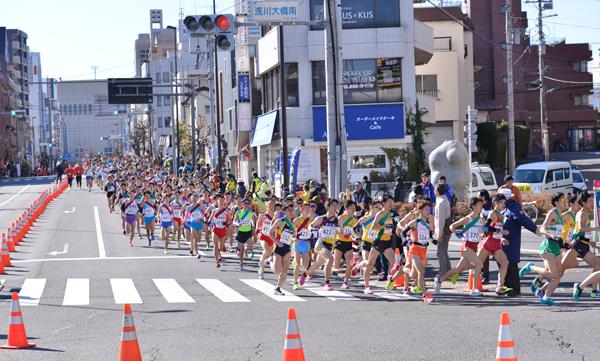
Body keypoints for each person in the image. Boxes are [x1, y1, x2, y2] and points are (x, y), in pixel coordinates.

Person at [518, 193, 568, 305]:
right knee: (554, 275)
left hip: (556, 247)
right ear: (556, 202)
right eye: (562, 199)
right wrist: (551, 235)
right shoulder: (552, 213)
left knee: (557, 275)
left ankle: (546, 297)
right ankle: (531, 268)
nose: (565, 201)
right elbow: (543, 229)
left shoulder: (560, 215)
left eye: (565, 199)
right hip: (548, 246)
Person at [434, 197, 485, 296]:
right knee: (479, 264)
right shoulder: (467, 219)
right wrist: (457, 233)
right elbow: (451, 226)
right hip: (467, 246)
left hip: (475, 246)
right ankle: (474, 289)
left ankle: (439, 280)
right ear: (473, 206)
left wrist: (483, 233)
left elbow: (483, 232)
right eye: (479, 205)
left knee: (458, 269)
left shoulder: (482, 219)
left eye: (482, 205)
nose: (481, 207)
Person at [500, 195, 538, 297]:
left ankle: (514, 289)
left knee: (511, 265)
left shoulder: (514, 208)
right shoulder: (502, 209)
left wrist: (535, 229)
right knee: (504, 265)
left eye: (501, 200)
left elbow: (523, 220)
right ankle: (506, 288)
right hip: (501, 242)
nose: (499, 202)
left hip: (511, 241)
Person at [269, 204, 296, 295]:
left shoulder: (292, 224)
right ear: (284, 211)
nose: (291, 212)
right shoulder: (280, 221)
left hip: (287, 248)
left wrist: (295, 239)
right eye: (288, 210)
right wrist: (277, 242)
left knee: (285, 270)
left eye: (292, 210)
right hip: (278, 247)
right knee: (277, 270)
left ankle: (278, 288)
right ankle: (270, 261)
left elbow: (293, 236)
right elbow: (270, 233)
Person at [434, 183, 452, 277]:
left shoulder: (441, 203)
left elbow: (441, 220)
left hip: (443, 230)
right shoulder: (444, 199)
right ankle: (449, 271)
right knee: (444, 251)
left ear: (437, 191)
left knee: (440, 252)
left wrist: (439, 234)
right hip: (446, 228)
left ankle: (443, 272)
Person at [234, 198, 255, 270]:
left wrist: (253, 230)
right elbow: (234, 221)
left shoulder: (251, 213)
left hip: (248, 232)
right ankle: (241, 263)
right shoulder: (238, 212)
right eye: (244, 203)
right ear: (242, 204)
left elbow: (253, 222)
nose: (246, 205)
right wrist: (237, 224)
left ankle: (247, 251)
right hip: (241, 232)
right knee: (241, 250)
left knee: (250, 245)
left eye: (247, 204)